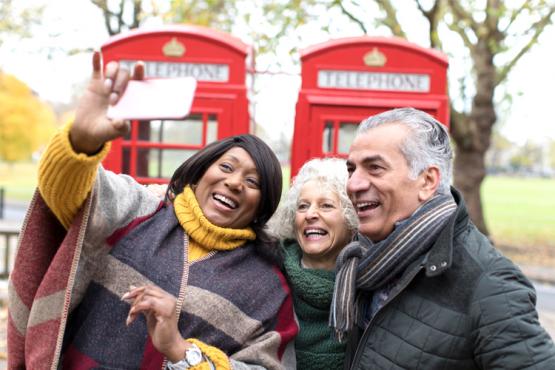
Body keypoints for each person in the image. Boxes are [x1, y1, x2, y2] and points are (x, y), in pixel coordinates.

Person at [7, 52, 297, 370]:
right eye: (226, 167)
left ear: (263, 203)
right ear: (200, 172)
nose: (234, 182)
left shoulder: (266, 285)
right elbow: (65, 196)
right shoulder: (138, 208)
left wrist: (180, 349)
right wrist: (81, 142)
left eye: (253, 181)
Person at [329, 107, 555, 369]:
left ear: (427, 181)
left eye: (375, 168)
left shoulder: (490, 283)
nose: (353, 184)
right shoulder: (365, 260)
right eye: (351, 169)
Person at [269, 158, 358, 370]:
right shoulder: (269, 274)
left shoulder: (372, 282)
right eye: (303, 206)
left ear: (351, 217)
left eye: (326, 205)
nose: (310, 214)